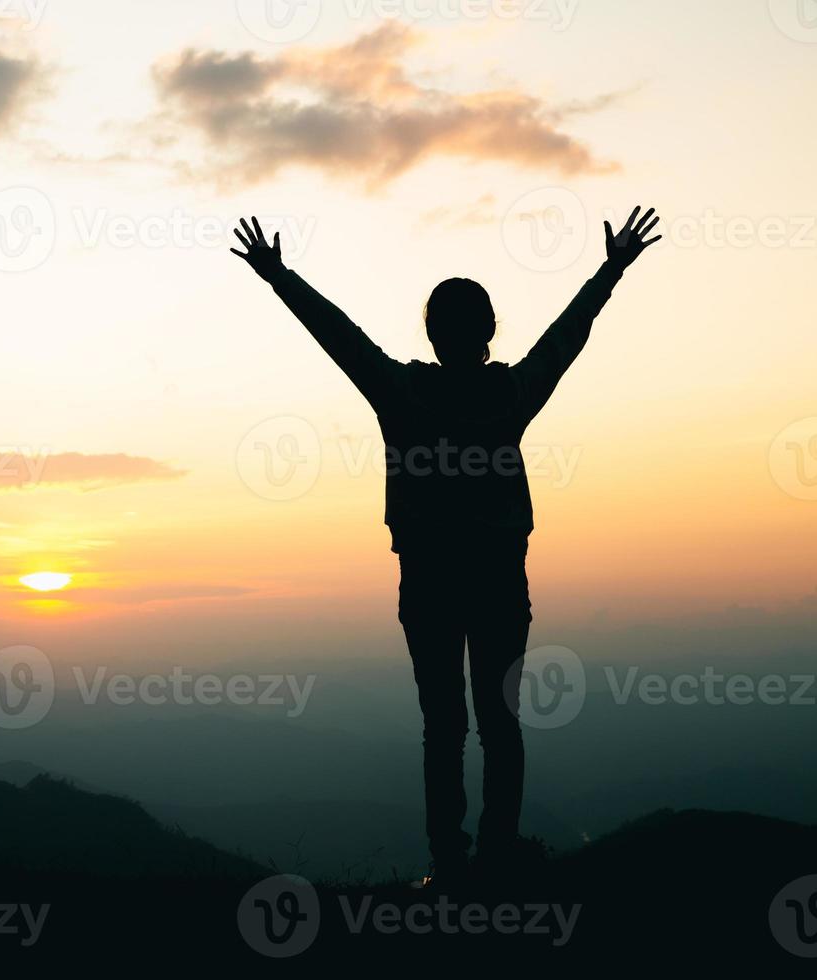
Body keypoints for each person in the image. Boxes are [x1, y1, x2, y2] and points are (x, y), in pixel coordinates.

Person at [231, 207, 662, 886]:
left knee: (445, 728)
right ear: (488, 330)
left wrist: (281, 278)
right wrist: (611, 269)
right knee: (500, 725)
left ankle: (451, 865)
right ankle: (493, 859)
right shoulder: (509, 393)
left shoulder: (403, 393)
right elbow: (565, 338)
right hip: (498, 581)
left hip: (429, 582)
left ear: (432, 333)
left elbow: (339, 337)